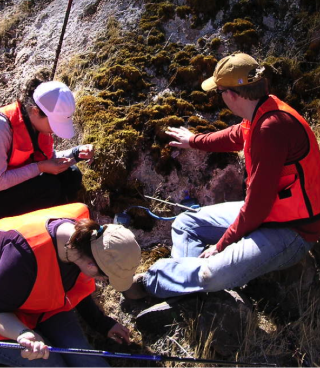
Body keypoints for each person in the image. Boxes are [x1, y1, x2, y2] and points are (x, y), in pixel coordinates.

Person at [124, 52, 320, 300]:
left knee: (211, 274)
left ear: (233, 94)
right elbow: (236, 135)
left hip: (292, 230)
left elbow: (257, 206)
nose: (220, 98)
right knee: (186, 224)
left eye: (219, 92)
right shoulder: (262, 110)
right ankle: (188, 287)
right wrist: (193, 141)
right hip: (270, 213)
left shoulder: (272, 128)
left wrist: (221, 246)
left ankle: (152, 283)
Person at [0, 203, 141, 367]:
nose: (104, 282)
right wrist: (23, 334)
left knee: (87, 360)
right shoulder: (19, 260)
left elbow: (72, 286)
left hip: (40, 307)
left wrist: (102, 323)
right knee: (51, 364)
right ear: (91, 266)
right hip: (5, 316)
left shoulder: (86, 240)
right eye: (107, 278)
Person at [0, 78, 94, 217]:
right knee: (49, 187)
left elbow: (47, 158)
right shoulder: (3, 127)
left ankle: (61, 216)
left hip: (16, 185)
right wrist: (40, 167)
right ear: (35, 111)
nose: (55, 131)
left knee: (72, 174)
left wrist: (76, 154)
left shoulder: (37, 125)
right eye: (54, 124)